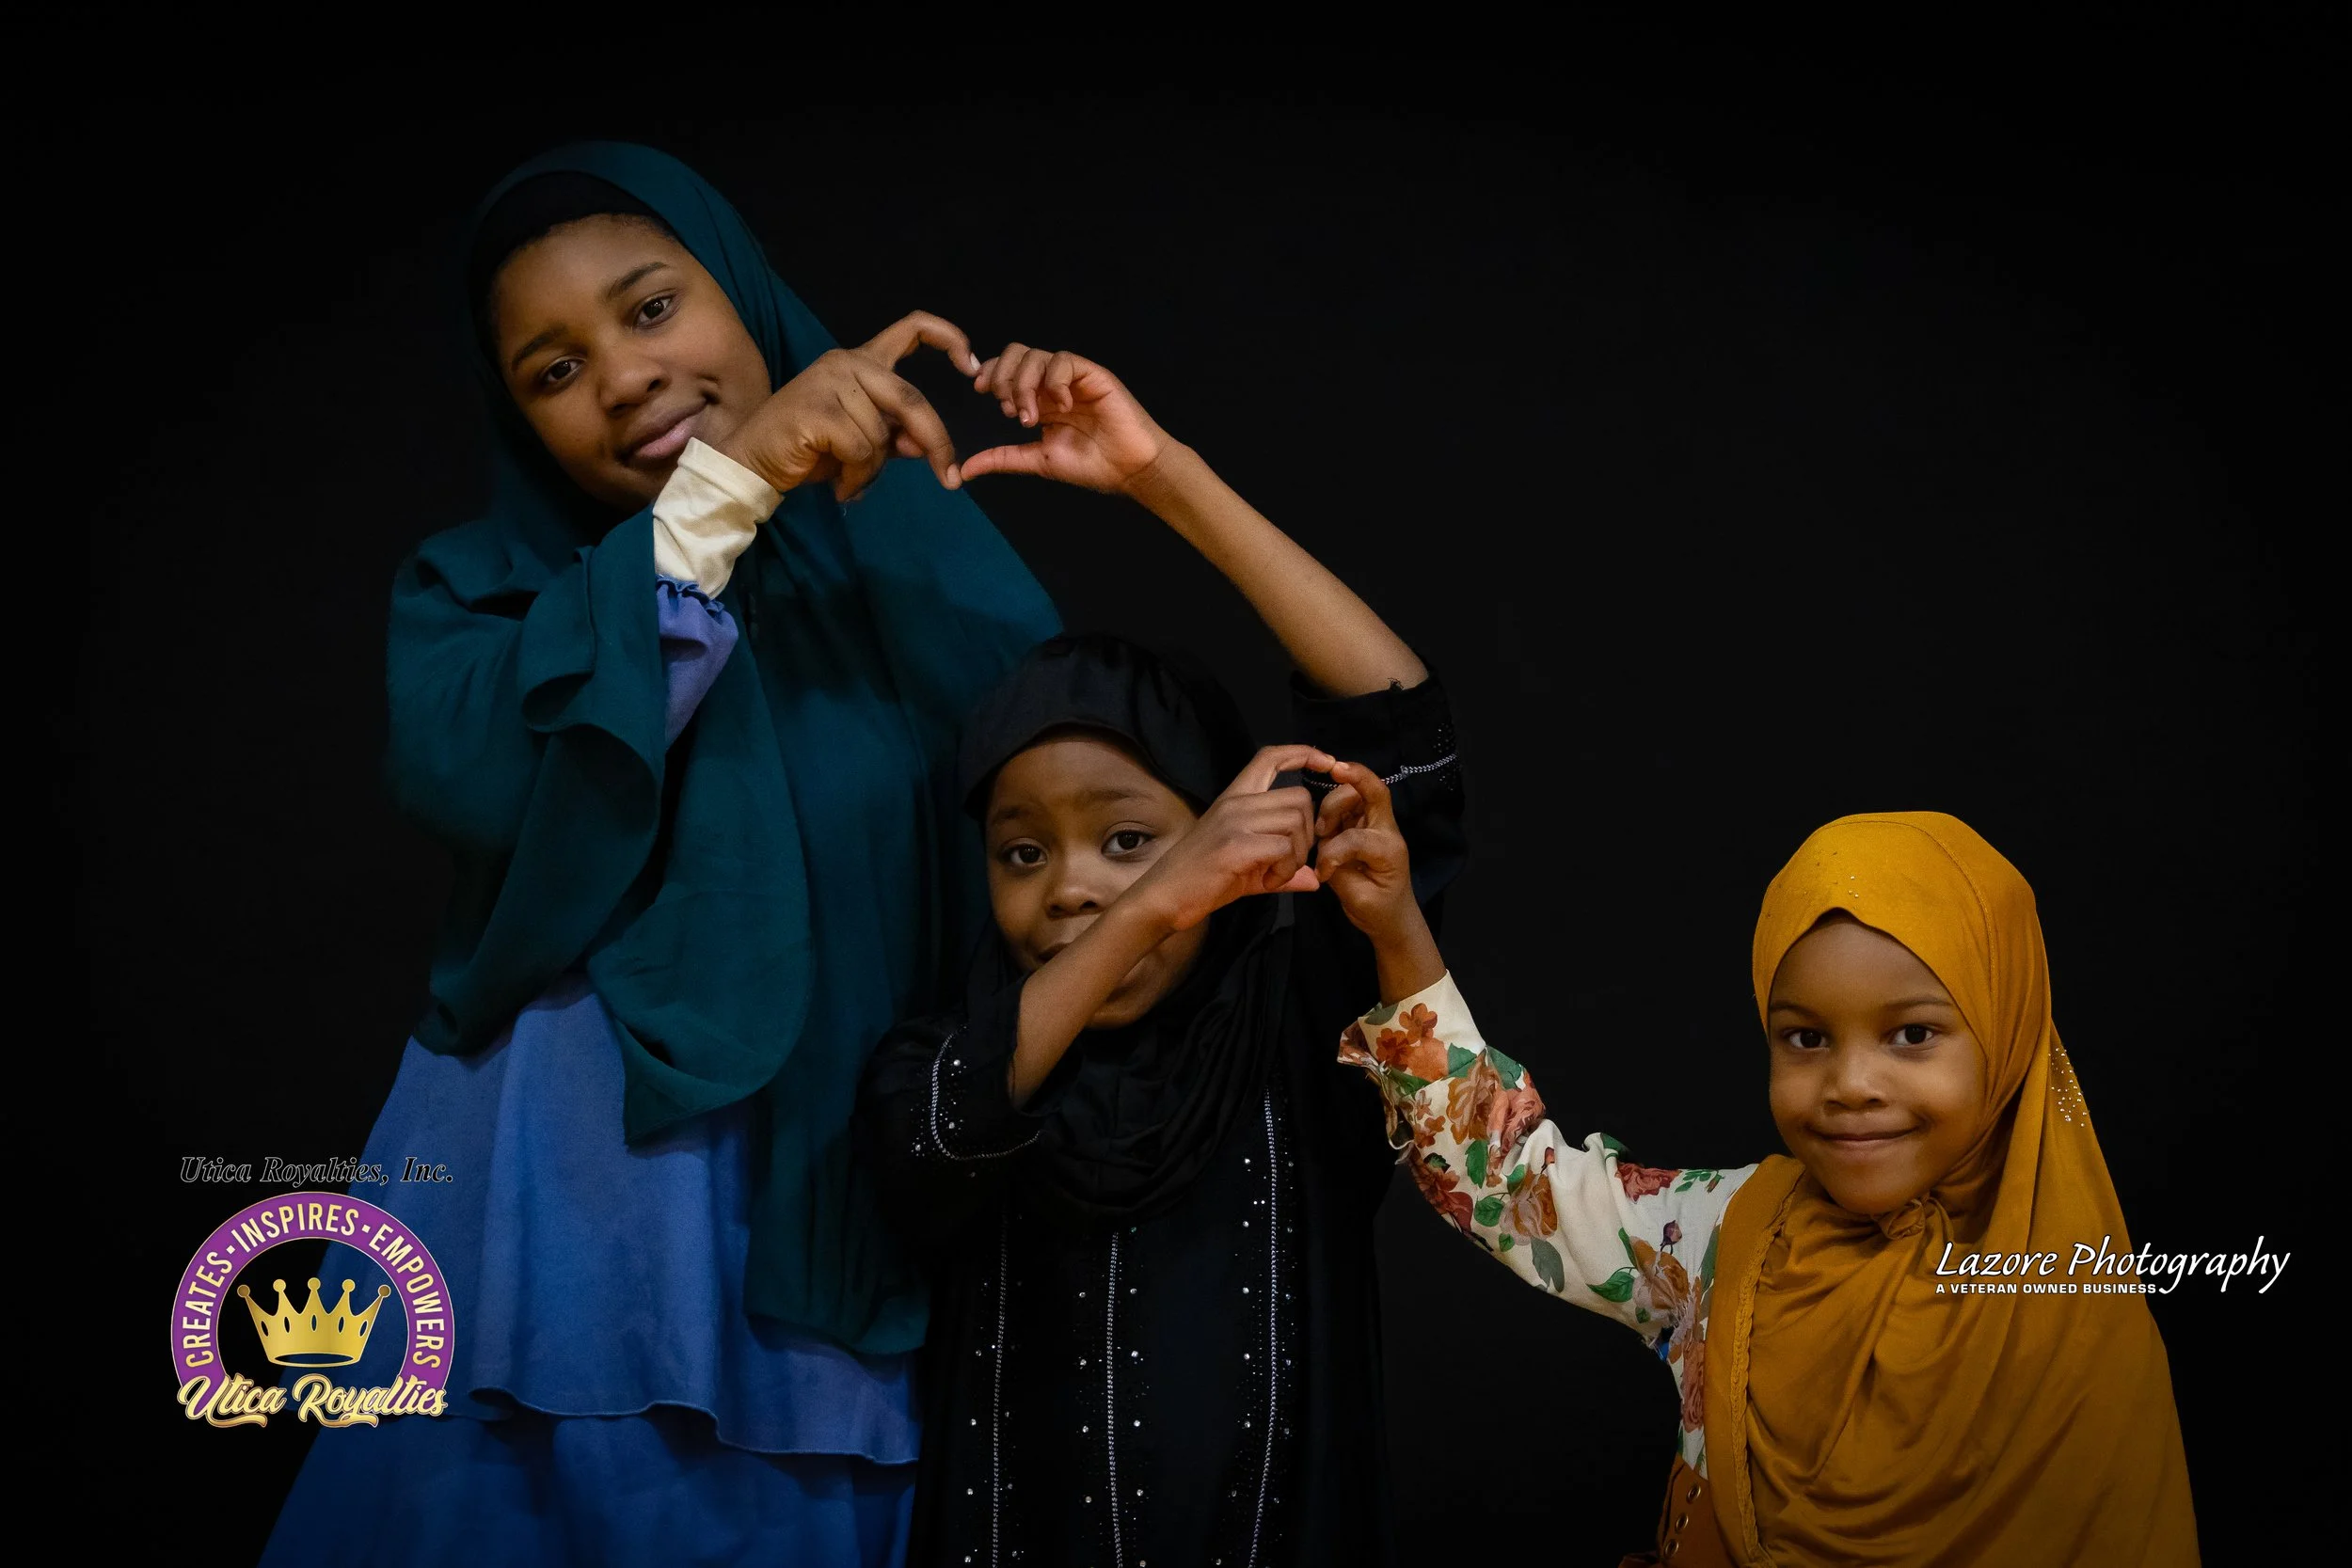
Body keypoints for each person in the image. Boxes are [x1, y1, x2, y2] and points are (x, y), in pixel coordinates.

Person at [259, 143, 1058, 1566]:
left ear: (745, 296)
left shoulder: (937, 576)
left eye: (649, 308)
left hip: (848, 1199)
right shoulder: (484, 599)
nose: (622, 377)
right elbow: (489, 779)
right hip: (573, 1194)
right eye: (551, 370)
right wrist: (735, 483)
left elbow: (1070, 874)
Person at [859, 345, 1465, 1567]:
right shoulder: (965, 1059)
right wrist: (1150, 900)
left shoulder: (1295, 1023)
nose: (1074, 881)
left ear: (1229, 834)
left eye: (1129, 838)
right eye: (1022, 851)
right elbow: (927, 1139)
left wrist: (1161, 475)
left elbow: (1398, 729)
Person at [1326, 806, 2198, 1566]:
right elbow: (1514, 1184)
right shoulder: (1727, 1233)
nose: (1852, 1082)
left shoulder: (2082, 1320)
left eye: (1913, 1034)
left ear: (2007, 1036)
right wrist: (1398, 930)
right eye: (1806, 1038)